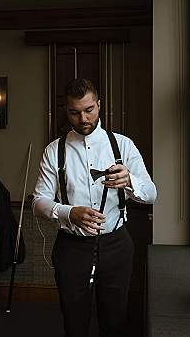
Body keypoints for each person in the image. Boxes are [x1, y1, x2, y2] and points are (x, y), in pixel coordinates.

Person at [32, 78, 157, 337]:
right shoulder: (54, 151)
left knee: (114, 321)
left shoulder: (122, 145)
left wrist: (130, 181)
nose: (83, 118)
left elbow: (151, 195)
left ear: (99, 106)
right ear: (66, 111)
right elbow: (38, 202)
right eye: (75, 112)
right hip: (71, 248)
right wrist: (69, 213)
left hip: (116, 244)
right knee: (74, 322)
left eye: (89, 110)